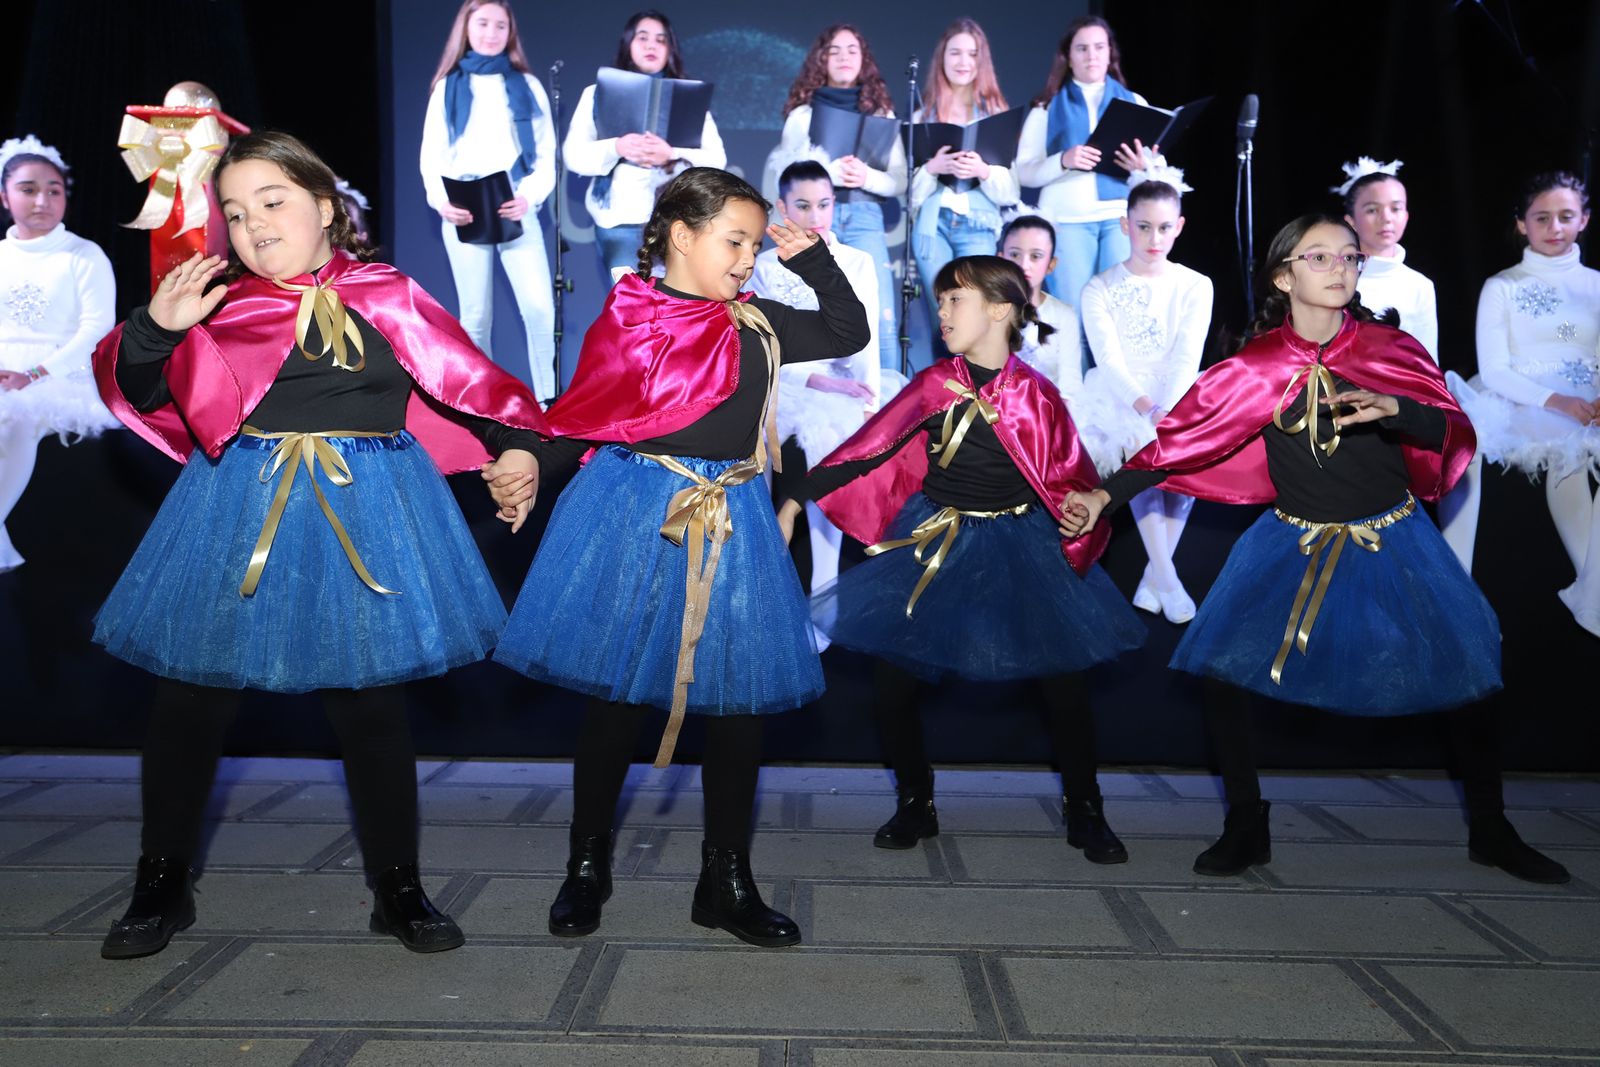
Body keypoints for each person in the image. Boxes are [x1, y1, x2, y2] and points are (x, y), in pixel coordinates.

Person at [90, 131, 549, 960]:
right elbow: (142, 395)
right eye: (235, 212)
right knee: (190, 701)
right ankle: (160, 882)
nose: (253, 224)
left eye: (273, 202)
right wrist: (155, 331)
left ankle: (397, 887)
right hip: (241, 506)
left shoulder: (388, 292)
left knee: (370, 704)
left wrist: (519, 449)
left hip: (365, 507)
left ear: (326, 209)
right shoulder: (219, 302)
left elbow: (473, 385)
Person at [1063, 214, 1569, 885]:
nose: (1339, 268)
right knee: (1224, 670)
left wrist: (1398, 409)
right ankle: (1246, 820)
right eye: (1319, 256)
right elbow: (1178, 442)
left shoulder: (1391, 349)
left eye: (1349, 257)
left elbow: (1452, 425)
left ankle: (1491, 826)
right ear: (1283, 275)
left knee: (1467, 665)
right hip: (1292, 536)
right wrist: (1104, 497)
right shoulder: (1256, 364)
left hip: (1393, 535)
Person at [488, 168, 869, 947]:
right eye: (736, 241)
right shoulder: (630, 315)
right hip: (639, 514)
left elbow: (846, 332)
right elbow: (582, 413)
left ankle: (725, 879)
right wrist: (529, 463)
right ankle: (585, 865)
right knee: (617, 700)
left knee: (738, 706)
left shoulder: (758, 321)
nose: (747, 259)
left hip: (732, 517)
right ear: (681, 234)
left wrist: (815, 261)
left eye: (756, 245)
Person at [778, 255, 1144, 864]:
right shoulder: (932, 384)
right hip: (936, 539)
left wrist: (1081, 510)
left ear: (1000, 309)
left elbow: (1068, 474)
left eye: (956, 300)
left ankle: (1086, 808)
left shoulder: (1037, 394)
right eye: (941, 301)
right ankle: (915, 801)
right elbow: (868, 449)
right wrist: (796, 498)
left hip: (1020, 542)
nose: (942, 312)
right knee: (893, 686)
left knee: (1063, 687)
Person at [1448, 172, 1600, 636]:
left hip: (1589, 399)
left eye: (1566, 216)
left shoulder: (1596, 284)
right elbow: (1493, 368)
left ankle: (1591, 593)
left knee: (1577, 453)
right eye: (1542, 217)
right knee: (1556, 453)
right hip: (1523, 397)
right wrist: (1559, 401)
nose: (1555, 227)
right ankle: (1451, 588)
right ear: (1522, 225)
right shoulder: (1503, 286)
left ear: (1585, 220)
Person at [1076, 162, 1212, 621]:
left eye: (1165, 227)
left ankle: (1155, 578)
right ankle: (1167, 579)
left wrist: (1168, 410)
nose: (1154, 238)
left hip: (1175, 392)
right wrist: (1146, 408)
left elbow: (1186, 355)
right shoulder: (1099, 287)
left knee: (1190, 458)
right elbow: (1108, 360)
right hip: (1121, 394)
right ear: (1124, 225)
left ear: (1180, 227)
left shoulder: (1196, 284)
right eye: (1144, 227)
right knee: (1142, 450)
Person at [750, 160, 884, 606]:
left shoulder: (857, 260)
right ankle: (764, 596)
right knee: (759, 447)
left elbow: (867, 344)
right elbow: (766, 346)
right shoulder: (766, 265)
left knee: (833, 455)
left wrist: (870, 400)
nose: (816, 216)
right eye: (803, 206)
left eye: (824, 204)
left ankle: (826, 598)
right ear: (783, 207)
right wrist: (819, 384)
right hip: (784, 384)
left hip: (842, 385)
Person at [420, 0, 559, 400]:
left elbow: (547, 153)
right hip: (464, 205)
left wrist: (529, 196)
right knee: (476, 317)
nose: (491, 33)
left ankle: (548, 403)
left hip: (513, 200)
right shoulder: (449, 85)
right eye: (482, 23)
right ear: (466, 27)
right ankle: (487, 407)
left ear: (510, 32)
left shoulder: (526, 84)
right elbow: (432, 154)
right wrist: (440, 201)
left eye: (500, 25)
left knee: (539, 309)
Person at [0, 135, 117, 571]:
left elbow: (96, 330)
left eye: (54, 190)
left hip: (60, 374)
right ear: (5, 195)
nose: (43, 200)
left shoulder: (83, 256)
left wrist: (34, 373)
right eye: (29, 189)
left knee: (16, 416)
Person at [774, 23, 907, 371]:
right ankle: (818, 399)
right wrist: (826, 174)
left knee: (880, 316)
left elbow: (898, 180)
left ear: (863, 59)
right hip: (812, 217)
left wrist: (867, 176)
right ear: (822, 59)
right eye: (835, 50)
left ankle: (888, 408)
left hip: (864, 214)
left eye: (853, 49)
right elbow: (784, 174)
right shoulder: (802, 116)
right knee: (808, 307)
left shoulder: (880, 112)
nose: (845, 57)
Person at [563, 10, 726, 283]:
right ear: (628, 44)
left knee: (674, 307)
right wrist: (617, 146)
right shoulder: (598, 93)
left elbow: (716, 159)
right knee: (634, 307)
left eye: (661, 40)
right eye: (643, 38)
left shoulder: (686, 96)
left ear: (670, 49)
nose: (652, 45)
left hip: (676, 220)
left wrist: (671, 154)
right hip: (619, 220)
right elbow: (574, 155)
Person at [1015, 16, 1146, 319]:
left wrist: (1143, 167)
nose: (1092, 55)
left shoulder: (1134, 101)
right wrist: (1063, 160)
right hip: (1068, 220)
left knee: (1119, 314)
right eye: (1082, 48)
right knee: (1073, 316)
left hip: (1119, 219)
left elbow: (1156, 166)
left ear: (1110, 53)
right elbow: (1024, 172)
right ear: (1069, 58)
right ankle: (1075, 370)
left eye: (1099, 47)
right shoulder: (1046, 107)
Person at [909, 19, 1020, 342]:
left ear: (980, 61)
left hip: (978, 223)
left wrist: (983, 171)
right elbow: (910, 197)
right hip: (933, 225)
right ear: (942, 58)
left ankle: (978, 388)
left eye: (971, 54)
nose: (962, 62)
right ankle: (949, 389)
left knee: (976, 311)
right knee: (944, 310)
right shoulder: (922, 115)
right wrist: (932, 167)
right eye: (955, 53)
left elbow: (1011, 190)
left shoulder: (996, 114)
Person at [997, 214, 1084, 400]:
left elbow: (1071, 386)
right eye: (1014, 255)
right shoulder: (981, 312)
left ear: (1051, 265)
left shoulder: (1063, 315)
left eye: (1035, 256)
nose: (1024, 265)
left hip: (1049, 418)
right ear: (1001, 258)